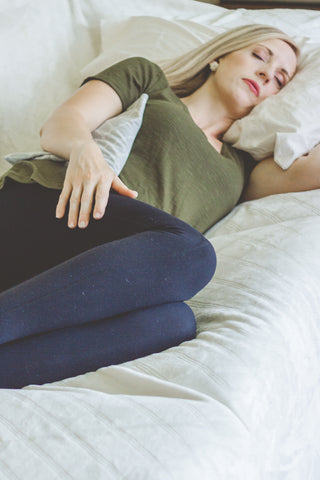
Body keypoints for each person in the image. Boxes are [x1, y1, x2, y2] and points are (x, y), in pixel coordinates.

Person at [0, 24, 305, 389]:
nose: (265, 74)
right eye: (259, 56)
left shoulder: (242, 169)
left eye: (279, 80)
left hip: (81, 278)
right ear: (220, 56)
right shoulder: (149, 80)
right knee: (193, 255)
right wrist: (85, 150)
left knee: (174, 323)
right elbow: (63, 123)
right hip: (52, 206)